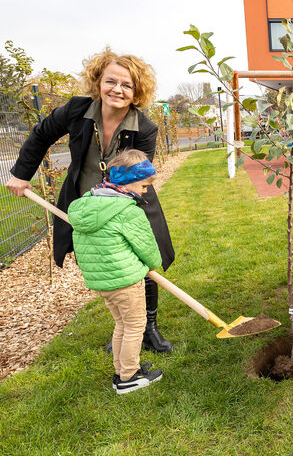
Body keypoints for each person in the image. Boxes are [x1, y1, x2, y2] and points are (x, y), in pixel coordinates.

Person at [6, 48, 175, 353]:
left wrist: (112, 210)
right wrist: (21, 173)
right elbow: (41, 134)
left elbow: (136, 177)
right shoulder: (75, 111)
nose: (118, 90)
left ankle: (148, 327)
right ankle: (125, 328)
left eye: (127, 85)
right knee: (110, 265)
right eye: (111, 81)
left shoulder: (145, 128)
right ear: (98, 81)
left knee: (140, 262)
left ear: (136, 91)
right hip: (85, 198)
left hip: (129, 202)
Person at [69, 149, 165, 394]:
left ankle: (122, 371)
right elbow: (148, 248)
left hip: (103, 281)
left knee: (122, 324)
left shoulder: (88, 205)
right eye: (144, 186)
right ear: (130, 181)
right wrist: (153, 264)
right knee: (135, 325)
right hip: (125, 280)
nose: (145, 191)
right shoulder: (128, 211)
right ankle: (130, 377)